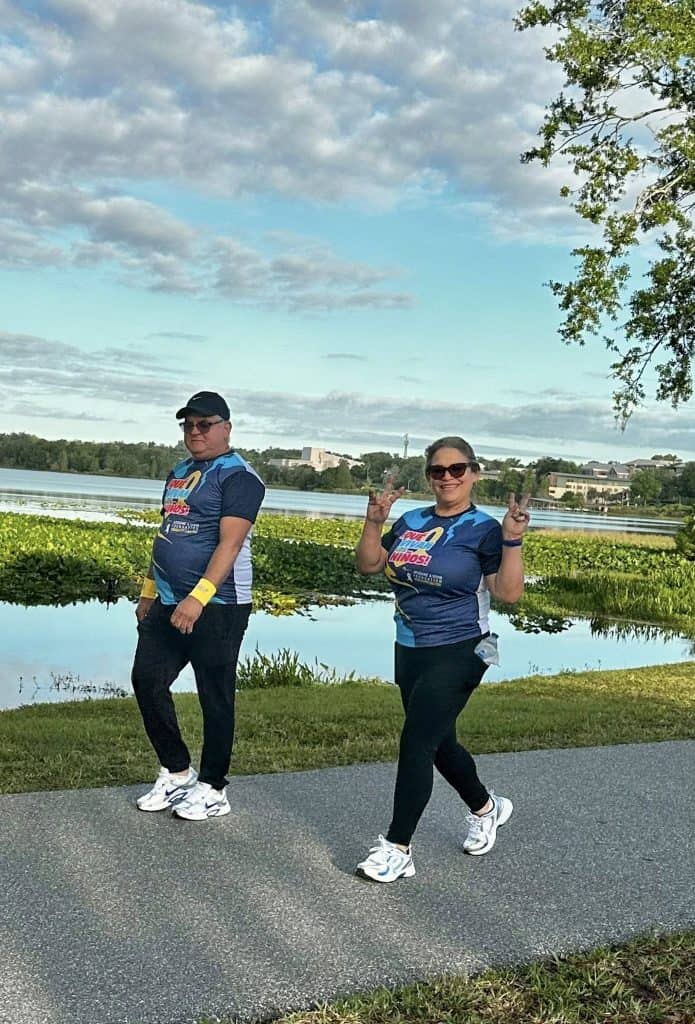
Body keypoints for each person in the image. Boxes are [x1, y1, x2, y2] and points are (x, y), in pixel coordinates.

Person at [354, 436, 529, 881]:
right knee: (438, 742)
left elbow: (507, 593)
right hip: (410, 646)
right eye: (438, 471)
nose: (447, 478)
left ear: (473, 473)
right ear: (429, 476)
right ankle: (486, 807)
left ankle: (397, 847)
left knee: (417, 740)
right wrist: (375, 522)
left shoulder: (485, 529)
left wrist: (512, 540)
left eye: (457, 469)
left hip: (464, 647)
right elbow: (370, 565)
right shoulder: (411, 520)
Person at [132, 391, 265, 821]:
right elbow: (166, 533)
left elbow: (230, 544)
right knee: (147, 679)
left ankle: (212, 788)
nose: (194, 432)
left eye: (204, 424)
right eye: (188, 425)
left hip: (219, 605)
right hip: (168, 600)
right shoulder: (179, 473)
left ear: (226, 427)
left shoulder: (240, 477)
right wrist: (149, 590)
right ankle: (176, 772)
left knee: (215, 695)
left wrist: (198, 598)